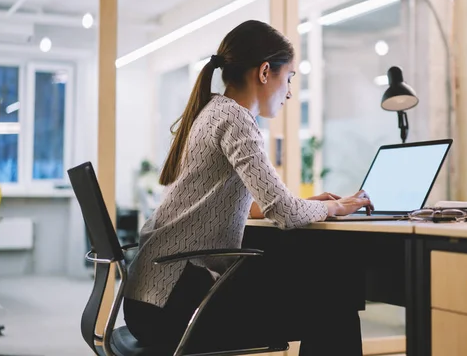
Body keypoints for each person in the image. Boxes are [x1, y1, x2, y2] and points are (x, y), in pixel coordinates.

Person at [123, 20, 374, 355]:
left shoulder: (213, 111)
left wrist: (306, 203)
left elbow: (240, 204)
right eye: (289, 78)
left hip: (150, 301)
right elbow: (282, 213)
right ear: (265, 72)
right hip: (175, 306)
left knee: (326, 287)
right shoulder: (236, 119)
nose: (288, 92)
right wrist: (334, 207)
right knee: (334, 296)